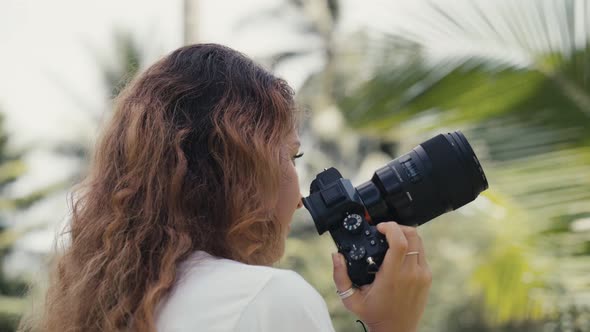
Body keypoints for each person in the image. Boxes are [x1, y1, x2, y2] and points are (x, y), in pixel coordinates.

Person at [19, 43, 431, 332]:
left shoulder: (108, 306)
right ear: (243, 172)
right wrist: (393, 326)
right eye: (291, 157)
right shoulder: (267, 300)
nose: (303, 194)